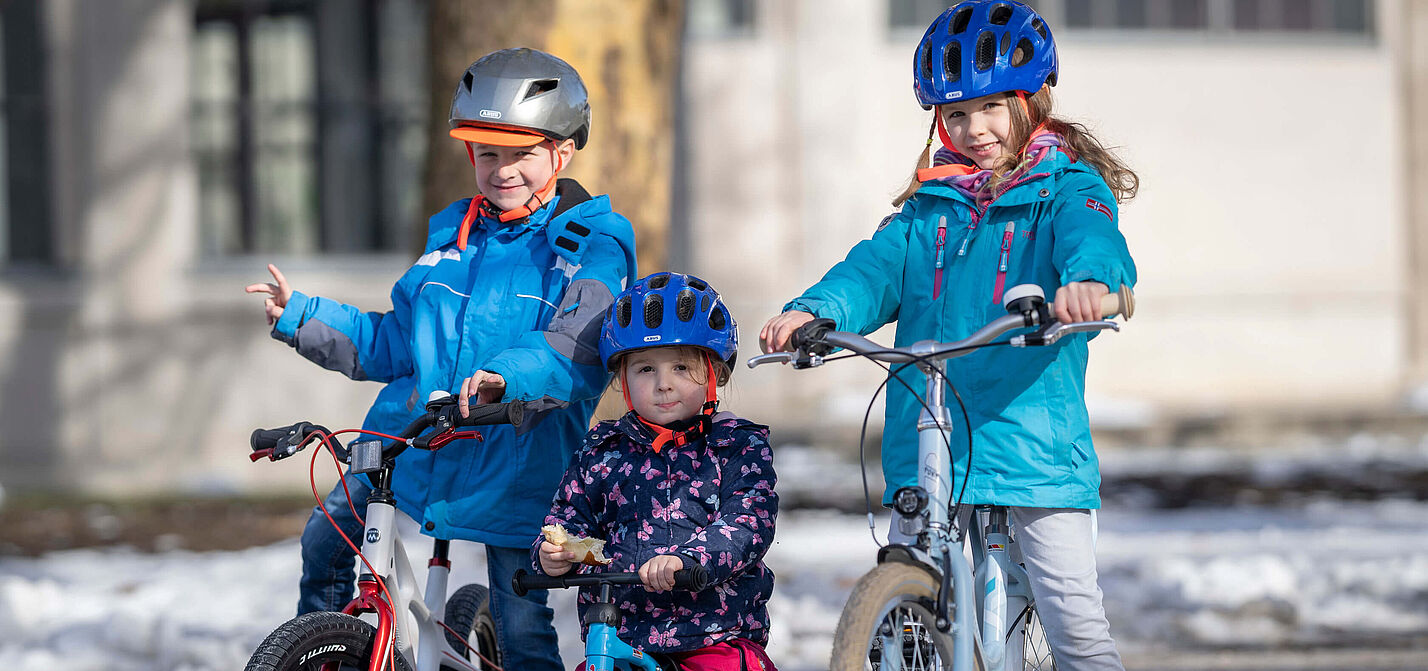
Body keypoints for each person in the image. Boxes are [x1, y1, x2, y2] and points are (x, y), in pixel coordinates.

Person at [760, 2, 1136, 669]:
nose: (973, 128)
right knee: (907, 616)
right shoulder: (928, 207)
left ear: (1033, 99)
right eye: (955, 114)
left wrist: (1089, 286)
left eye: (991, 107)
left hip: (1032, 450)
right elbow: (871, 273)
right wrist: (814, 310)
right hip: (929, 442)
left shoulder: (1066, 189)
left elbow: (1095, 241)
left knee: (1073, 621)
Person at [245, 47, 637, 671]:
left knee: (519, 621)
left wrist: (506, 378)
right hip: (416, 438)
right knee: (327, 535)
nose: (503, 170)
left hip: (517, 450)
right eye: (488, 154)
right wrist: (302, 316)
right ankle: (326, 652)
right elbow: (396, 343)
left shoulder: (593, 239)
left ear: (561, 154)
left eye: (522, 153)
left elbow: (577, 343)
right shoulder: (450, 238)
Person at [535, 272, 779, 671]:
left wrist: (689, 560)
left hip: (715, 633)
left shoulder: (736, 446)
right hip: (620, 634)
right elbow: (567, 517)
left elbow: (748, 524)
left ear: (714, 373)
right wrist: (552, 554)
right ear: (623, 379)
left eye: (681, 367)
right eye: (646, 369)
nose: (664, 384)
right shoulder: (602, 451)